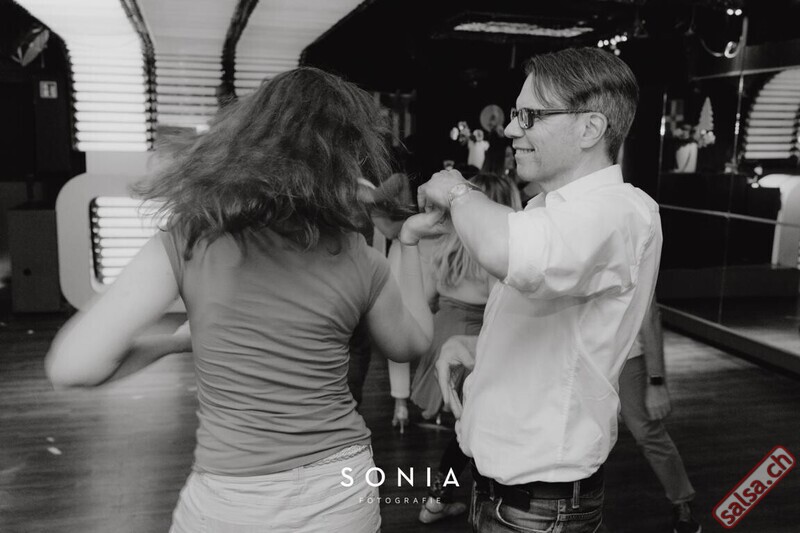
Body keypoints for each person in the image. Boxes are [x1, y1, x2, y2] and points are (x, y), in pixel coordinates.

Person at [45, 67, 436, 533]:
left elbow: (73, 367)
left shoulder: (192, 240)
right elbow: (411, 344)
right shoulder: (360, 259)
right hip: (340, 490)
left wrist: (174, 343)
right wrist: (409, 242)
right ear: (346, 157)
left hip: (233, 502)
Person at [403, 47, 663, 532]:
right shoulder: (546, 209)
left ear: (590, 128)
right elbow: (565, 341)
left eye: (530, 116)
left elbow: (506, 251)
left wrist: (458, 190)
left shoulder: (620, 211)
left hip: (541, 507)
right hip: (503, 492)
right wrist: (477, 345)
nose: (510, 129)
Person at [411, 173, 522, 524]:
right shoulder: (493, 255)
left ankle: (439, 499)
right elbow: (498, 309)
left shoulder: (446, 245)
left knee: (465, 426)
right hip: (472, 341)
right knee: (470, 430)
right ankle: (442, 500)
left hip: (442, 331)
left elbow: (427, 297)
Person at [620, 300, 701, 533]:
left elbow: (650, 315)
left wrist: (656, 381)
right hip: (582, 357)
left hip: (628, 356)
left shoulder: (639, 272)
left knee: (647, 433)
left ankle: (682, 501)